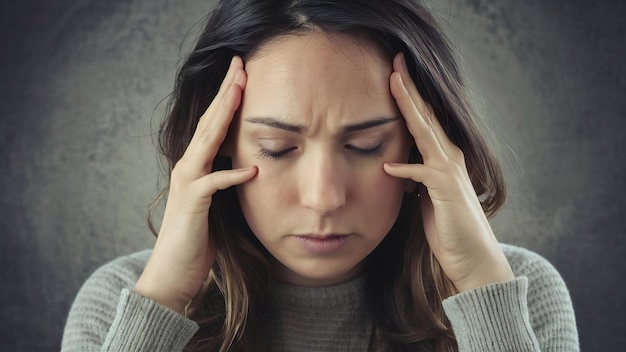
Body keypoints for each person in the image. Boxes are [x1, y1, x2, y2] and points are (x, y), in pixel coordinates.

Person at [61, 0, 579, 351]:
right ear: (215, 150)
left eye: (364, 145)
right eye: (278, 148)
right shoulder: (123, 302)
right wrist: (164, 300)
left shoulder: (517, 293)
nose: (324, 198)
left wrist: (480, 287)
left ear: (428, 145)